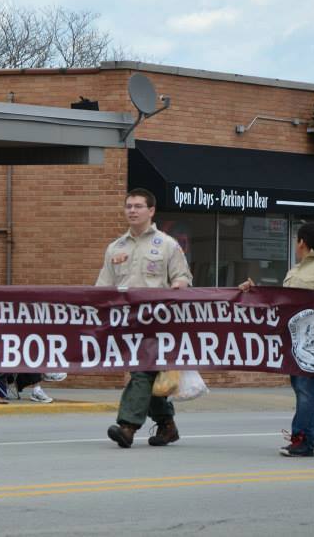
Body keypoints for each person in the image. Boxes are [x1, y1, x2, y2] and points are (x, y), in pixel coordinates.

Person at [98, 188, 192, 448]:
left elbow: (183, 277)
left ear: (151, 211)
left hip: (157, 321)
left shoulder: (168, 244)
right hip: (126, 322)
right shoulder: (115, 247)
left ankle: (127, 427)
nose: (132, 210)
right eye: (128, 206)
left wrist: (180, 285)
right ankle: (167, 425)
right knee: (146, 375)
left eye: (138, 206)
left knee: (141, 371)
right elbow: (103, 287)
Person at [241, 222, 314, 457]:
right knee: (301, 387)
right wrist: (256, 292)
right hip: (295, 340)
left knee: (306, 388)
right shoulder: (297, 270)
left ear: (302, 243)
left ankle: (303, 440)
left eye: (296, 240)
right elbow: (285, 301)